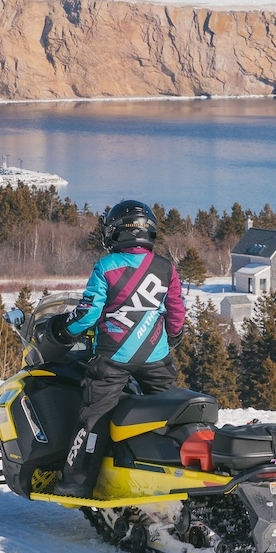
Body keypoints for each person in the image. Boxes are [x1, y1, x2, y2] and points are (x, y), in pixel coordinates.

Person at [51, 199, 188, 497]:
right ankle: (174, 470)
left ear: (114, 232)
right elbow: (177, 310)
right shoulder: (166, 268)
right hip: (156, 356)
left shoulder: (106, 266)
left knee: (94, 416)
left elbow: (87, 314)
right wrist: (173, 335)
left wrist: (63, 329)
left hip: (112, 358)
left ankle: (77, 481)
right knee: (168, 412)